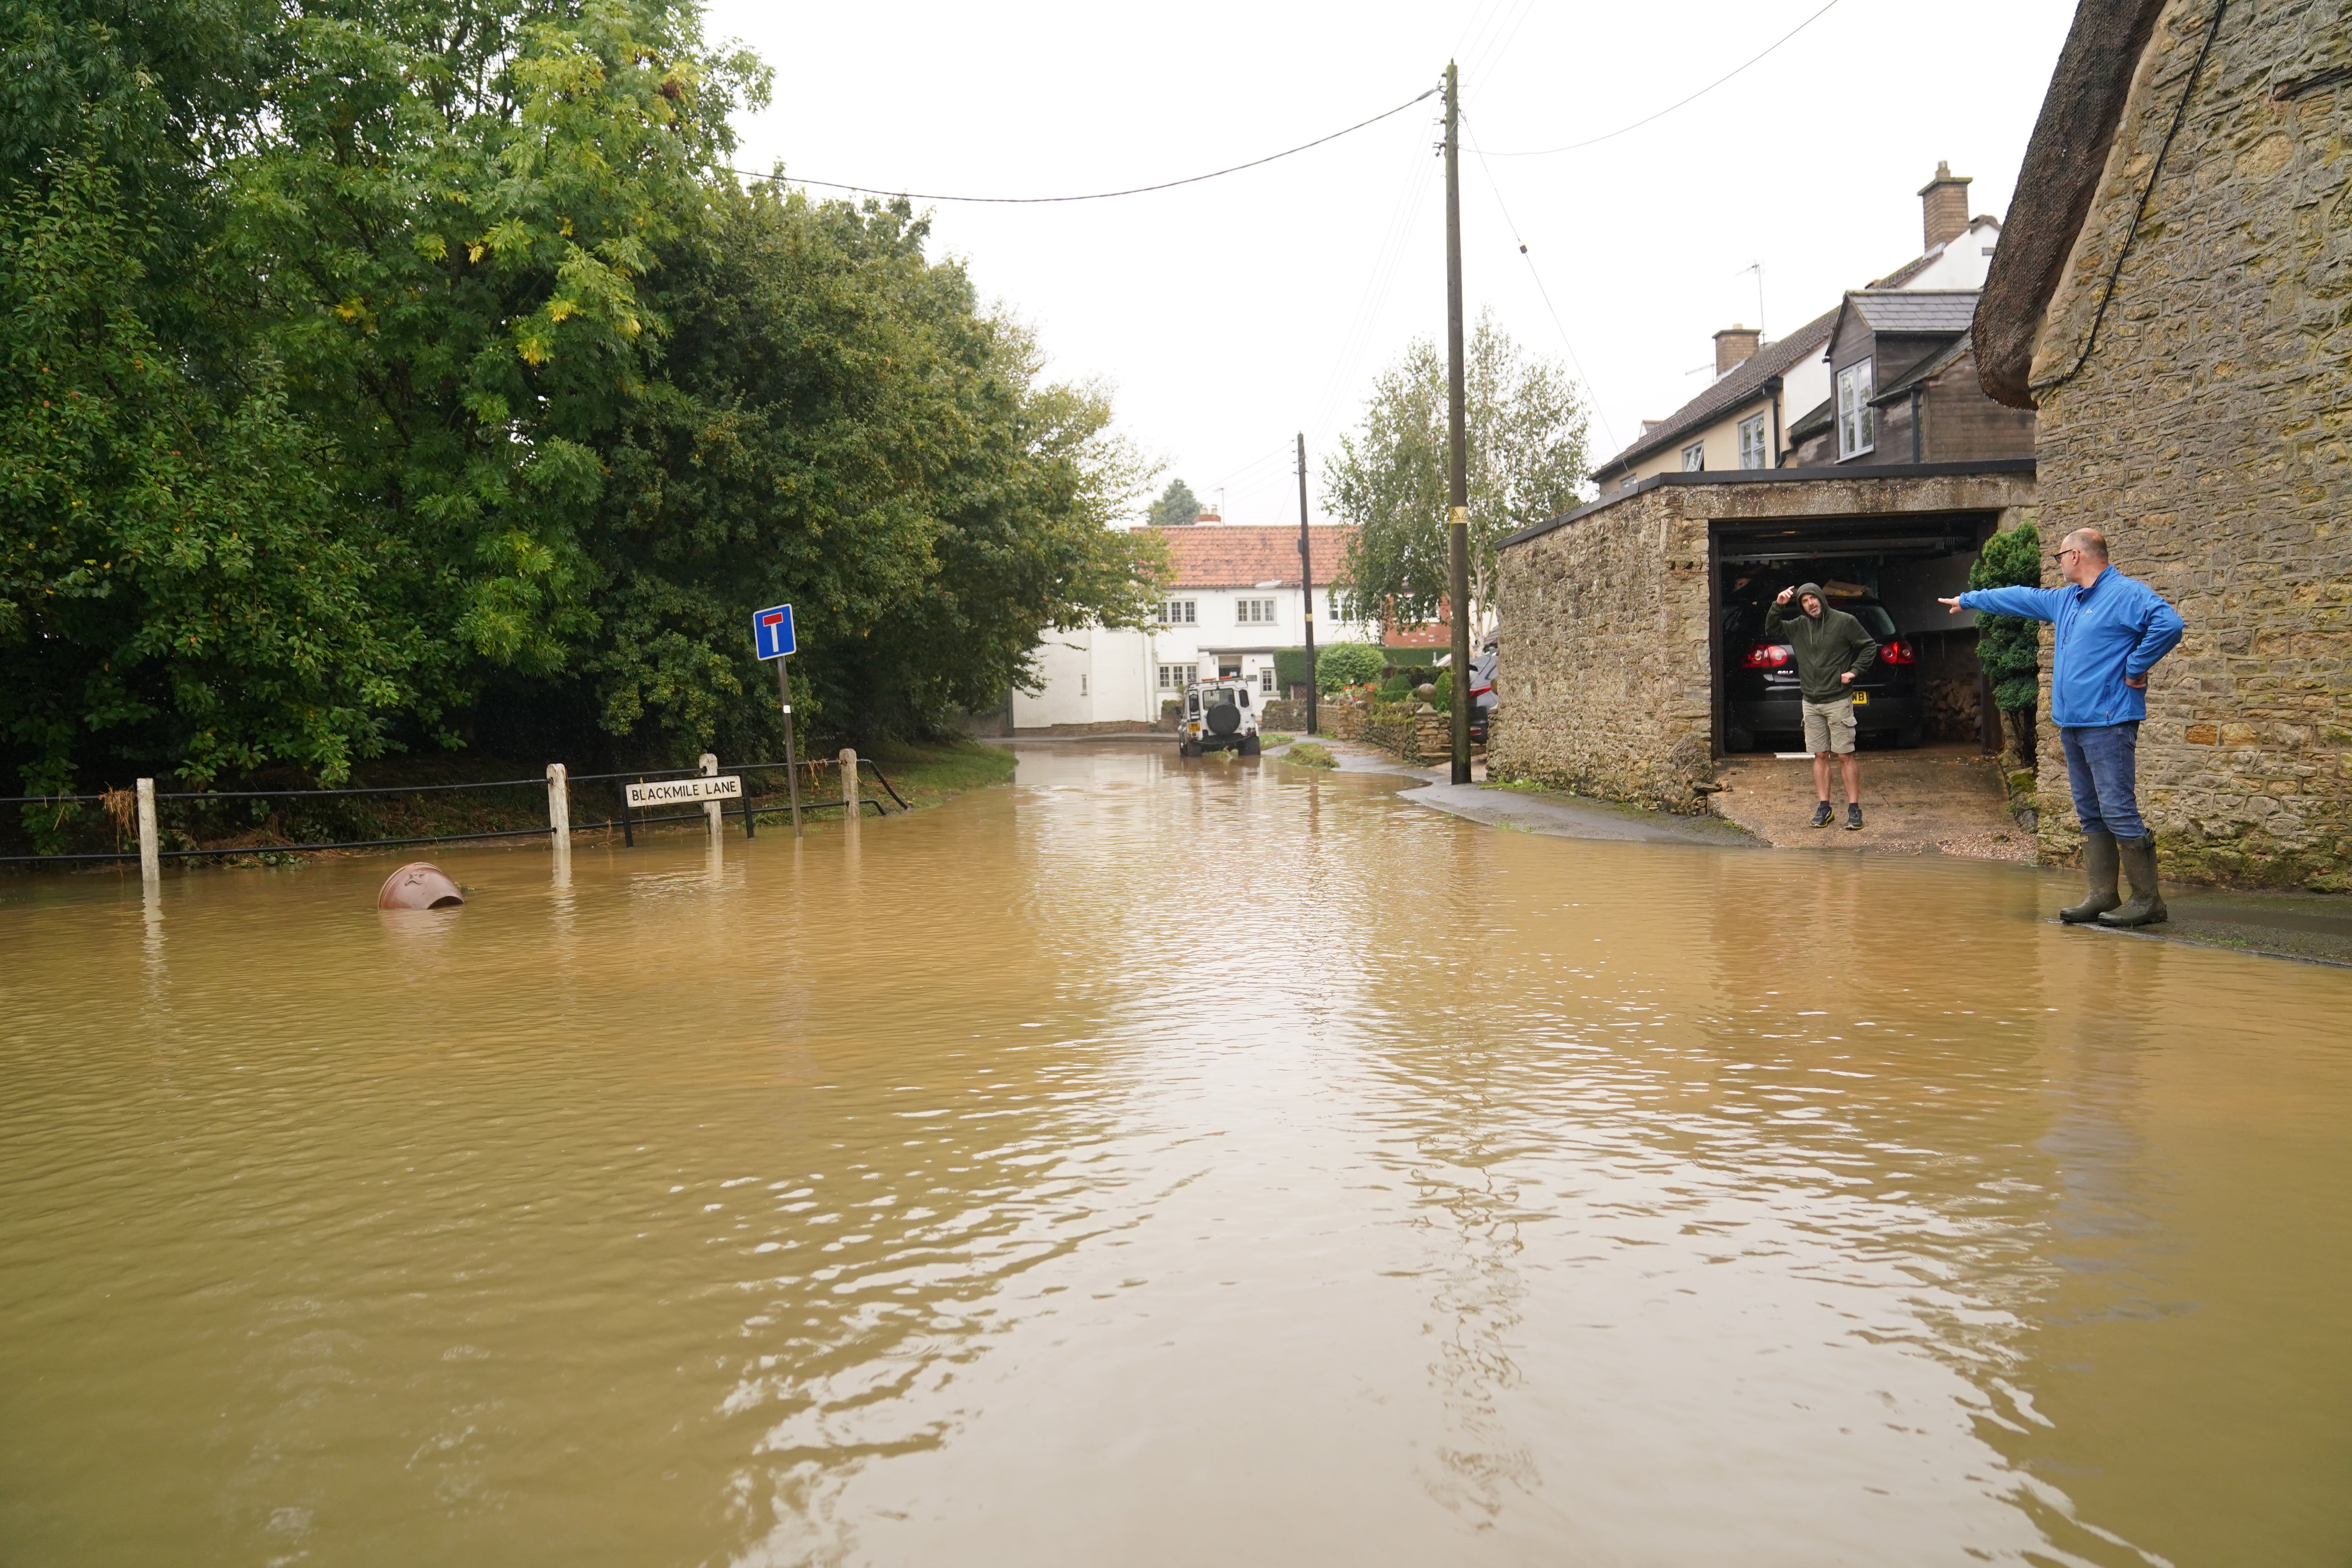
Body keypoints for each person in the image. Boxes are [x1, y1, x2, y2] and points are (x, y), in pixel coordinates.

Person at [1942, 526, 2184, 927]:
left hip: (2110, 722)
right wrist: (1970, 599)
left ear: (2076, 556)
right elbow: (2021, 597)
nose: (2058, 563)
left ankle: (2148, 901)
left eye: (2060, 556)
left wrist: (2137, 666)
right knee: (2091, 812)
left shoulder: (2125, 594)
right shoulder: (2066, 600)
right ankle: (2103, 895)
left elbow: (2170, 625)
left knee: (2118, 809)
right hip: (2073, 724)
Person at [1763, 582, 1878, 830]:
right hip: (1811, 702)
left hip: (1838, 699)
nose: (1810, 604)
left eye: (1812, 599)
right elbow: (1772, 629)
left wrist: (1854, 672)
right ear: (1801, 606)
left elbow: (1868, 646)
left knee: (1845, 755)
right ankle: (1825, 808)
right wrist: (1778, 605)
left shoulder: (1844, 622)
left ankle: (1854, 810)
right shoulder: (1798, 626)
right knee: (1820, 755)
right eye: (1804, 602)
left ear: (1821, 599)